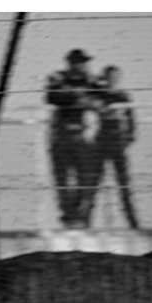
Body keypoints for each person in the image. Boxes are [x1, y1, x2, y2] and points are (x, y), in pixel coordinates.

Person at [44, 49, 104, 229]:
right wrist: (82, 98)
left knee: (85, 180)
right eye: (78, 62)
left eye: (84, 61)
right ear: (70, 63)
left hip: (83, 138)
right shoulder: (58, 77)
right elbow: (52, 97)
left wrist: (75, 97)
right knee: (62, 181)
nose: (82, 65)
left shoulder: (92, 80)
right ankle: (69, 218)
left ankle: (80, 218)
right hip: (60, 137)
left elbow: (102, 98)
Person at [94, 65, 140, 229]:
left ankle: (133, 223)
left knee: (124, 184)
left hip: (118, 144)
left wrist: (128, 138)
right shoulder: (99, 95)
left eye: (115, 77)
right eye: (110, 77)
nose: (113, 80)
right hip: (101, 143)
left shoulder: (124, 97)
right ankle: (86, 223)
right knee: (93, 183)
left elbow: (132, 121)